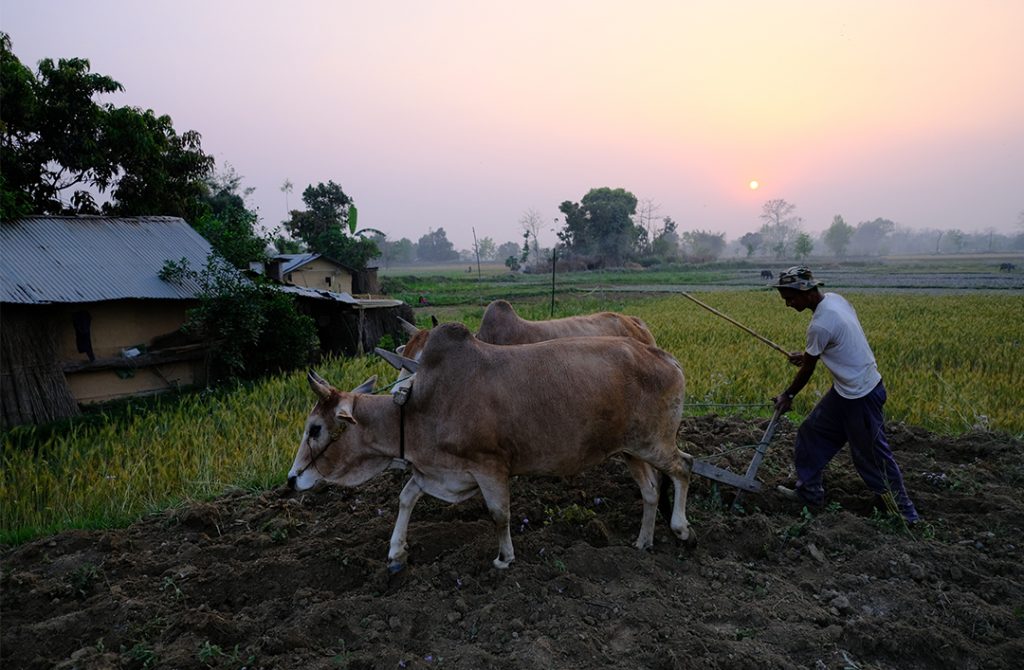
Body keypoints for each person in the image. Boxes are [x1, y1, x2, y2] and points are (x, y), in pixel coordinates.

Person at [770, 266, 919, 523]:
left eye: (790, 298)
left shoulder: (820, 325)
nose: (788, 305)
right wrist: (808, 356)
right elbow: (831, 345)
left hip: (861, 395)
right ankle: (809, 493)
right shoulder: (835, 300)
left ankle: (905, 514)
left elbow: (808, 370)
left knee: (871, 457)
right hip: (846, 392)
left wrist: (788, 395)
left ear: (805, 292)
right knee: (811, 433)